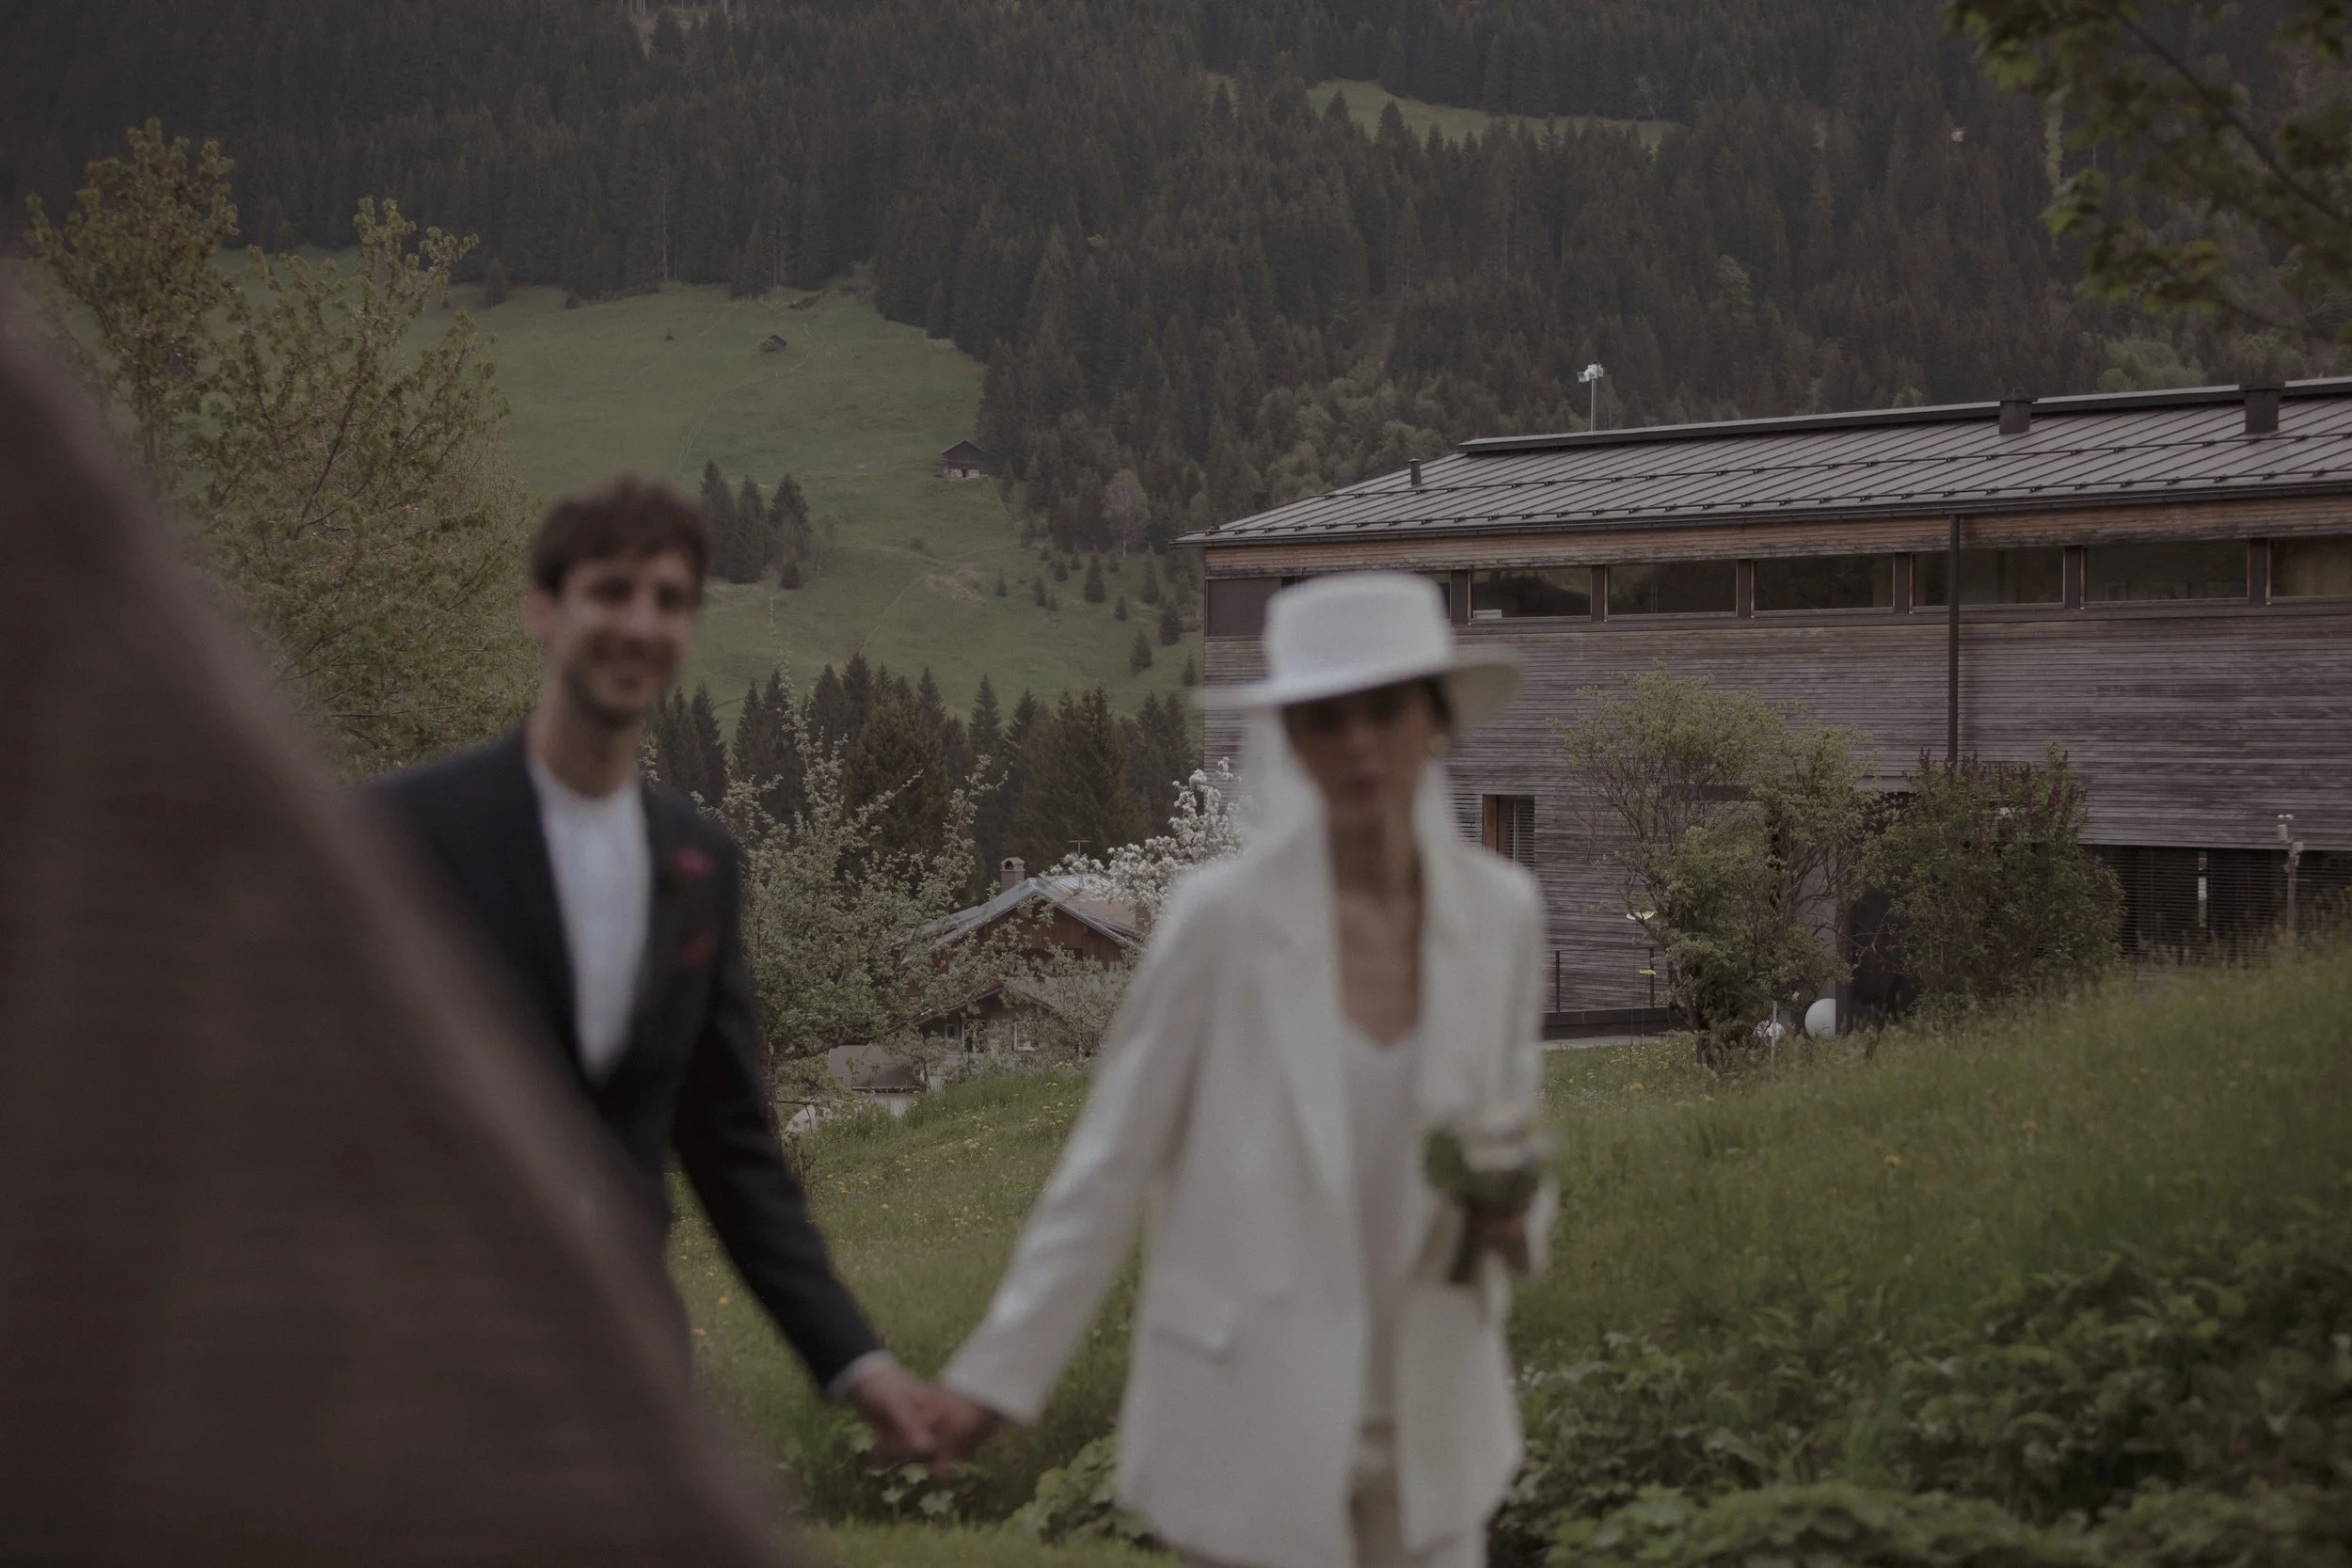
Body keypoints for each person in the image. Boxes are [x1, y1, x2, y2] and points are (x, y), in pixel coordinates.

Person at [924, 573, 1552, 1568]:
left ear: (1435, 721)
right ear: (1292, 740)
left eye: (1384, 709)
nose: (1357, 742)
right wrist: (995, 1378)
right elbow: (1110, 1161)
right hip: (1253, 1421)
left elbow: (1510, 1128)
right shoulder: (1219, 923)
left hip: (1433, 1419)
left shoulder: (1501, 914)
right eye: (1325, 717)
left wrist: (1517, 1217)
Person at [371, 476, 938, 1465]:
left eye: (669, 599)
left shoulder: (699, 864)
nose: (640, 624)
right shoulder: (406, 830)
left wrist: (856, 1361)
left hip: (624, 1366)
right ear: (543, 609)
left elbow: (729, 1143)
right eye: (611, 591)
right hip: (415, 1357)